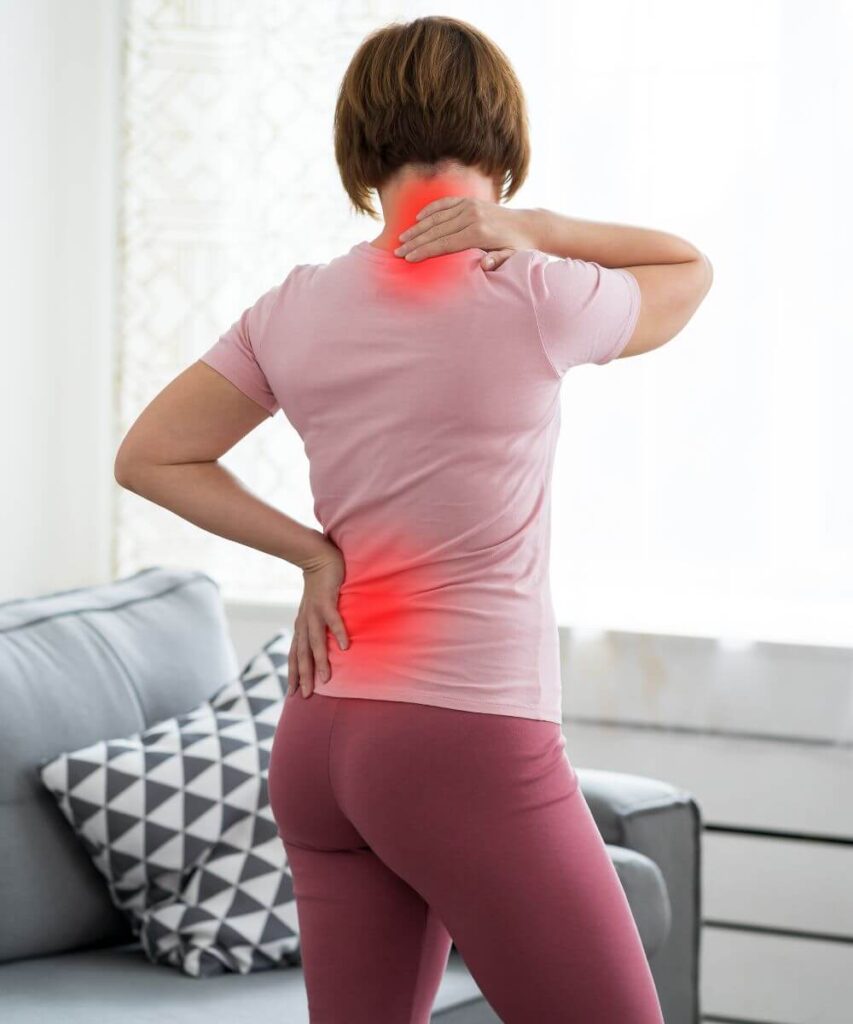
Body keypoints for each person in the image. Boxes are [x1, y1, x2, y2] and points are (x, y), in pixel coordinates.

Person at [114, 14, 712, 1023]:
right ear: (505, 141)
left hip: (321, 740)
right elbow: (687, 270)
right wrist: (540, 229)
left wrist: (311, 553)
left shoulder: (294, 305)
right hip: (464, 737)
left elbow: (151, 454)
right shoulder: (531, 289)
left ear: (358, 146)